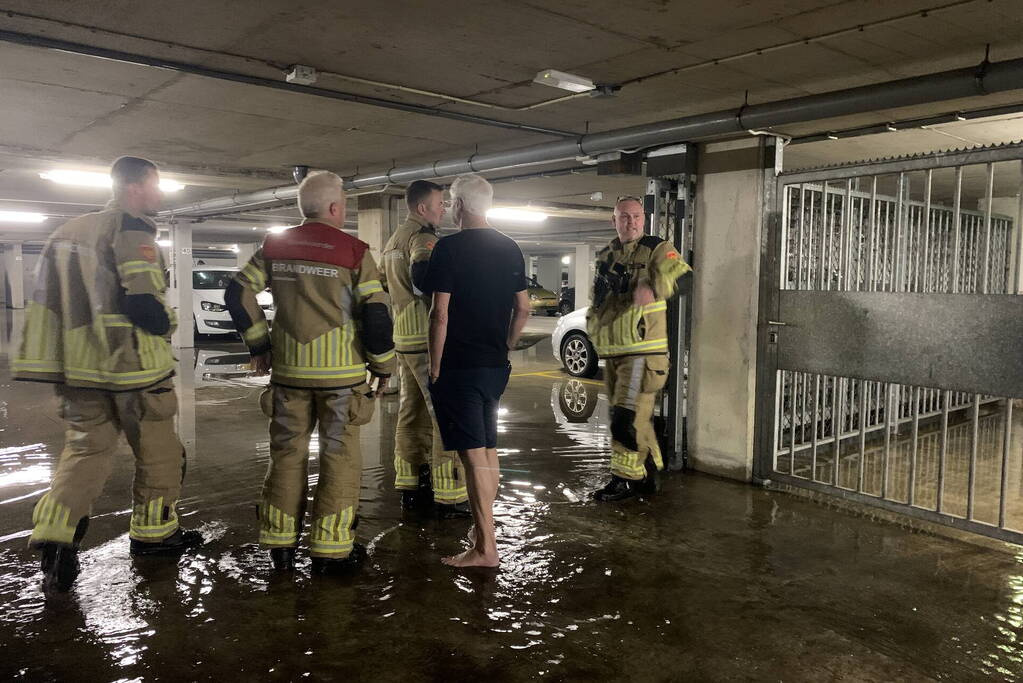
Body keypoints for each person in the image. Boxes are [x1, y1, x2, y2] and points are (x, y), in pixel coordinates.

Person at [13, 156, 203, 592]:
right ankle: (155, 537)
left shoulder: (65, 233)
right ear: (138, 186)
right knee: (159, 454)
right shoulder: (133, 228)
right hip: (132, 368)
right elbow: (141, 303)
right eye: (157, 185)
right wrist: (170, 322)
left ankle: (56, 535)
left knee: (84, 453)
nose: (159, 195)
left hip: (78, 370)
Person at [225, 171, 395, 573]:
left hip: (289, 375)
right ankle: (330, 551)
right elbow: (375, 313)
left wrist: (259, 345)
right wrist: (383, 365)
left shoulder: (275, 245)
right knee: (339, 458)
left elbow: (237, 291)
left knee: (286, 455)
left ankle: (280, 547)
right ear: (336, 208)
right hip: (342, 379)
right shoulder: (354, 251)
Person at [423, 174, 531, 568]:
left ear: (460, 206)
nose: (450, 207)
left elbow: (440, 314)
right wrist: (507, 345)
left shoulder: (448, 249)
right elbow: (523, 309)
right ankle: (484, 532)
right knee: (487, 450)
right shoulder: (510, 247)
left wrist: (434, 366)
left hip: (459, 366)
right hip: (493, 366)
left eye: (452, 201)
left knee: (472, 458)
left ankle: (486, 548)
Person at [587, 195, 692, 502]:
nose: (630, 222)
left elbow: (685, 279)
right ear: (614, 220)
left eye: (635, 216)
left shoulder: (657, 248)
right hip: (615, 353)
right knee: (628, 419)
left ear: (643, 219)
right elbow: (600, 303)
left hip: (644, 353)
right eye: (623, 217)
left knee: (625, 418)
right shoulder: (607, 254)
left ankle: (624, 480)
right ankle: (646, 471)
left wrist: (653, 287)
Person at [380, 180, 469, 517]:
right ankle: (449, 495)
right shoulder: (423, 238)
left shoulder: (393, 240)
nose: (443, 208)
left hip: (403, 339)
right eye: (439, 203)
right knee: (443, 416)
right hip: (428, 340)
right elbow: (422, 275)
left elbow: (384, 284)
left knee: (410, 413)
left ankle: (410, 482)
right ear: (422, 208)